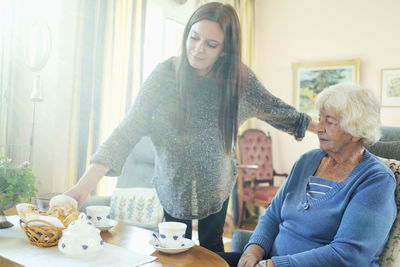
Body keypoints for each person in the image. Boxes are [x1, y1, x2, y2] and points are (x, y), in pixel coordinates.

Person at [65, 2, 316, 252]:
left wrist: (322, 129)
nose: (197, 49)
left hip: (217, 187)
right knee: (174, 251)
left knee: (212, 249)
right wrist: (84, 185)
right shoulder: (164, 77)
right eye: (194, 38)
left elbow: (276, 110)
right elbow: (127, 130)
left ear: (225, 49)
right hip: (172, 187)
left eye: (211, 44)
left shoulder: (238, 80)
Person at [218, 82, 397, 266]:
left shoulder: (376, 180)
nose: (318, 128)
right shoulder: (307, 161)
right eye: (320, 119)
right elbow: (272, 214)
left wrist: (274, 265)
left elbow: (348, 254)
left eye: (329, 121)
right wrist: (253, 249)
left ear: (356, 131)